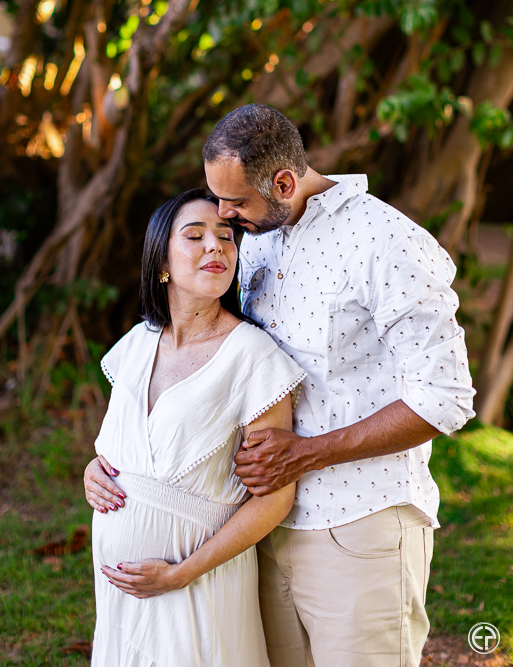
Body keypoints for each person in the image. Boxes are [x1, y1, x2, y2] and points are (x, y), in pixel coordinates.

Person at [86, 104, 475, 667]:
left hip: (358, 524)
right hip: (259, 534)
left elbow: (445, 398)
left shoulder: (386, 242)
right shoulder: (257, 237)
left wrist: (308, 453)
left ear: (284, 184)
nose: (224, 220)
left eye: (235, 204)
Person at [85, 188, 306, 667]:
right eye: (195, 235)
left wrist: (181, 573)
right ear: (162, 260)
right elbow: (129, 450)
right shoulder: (138, 342)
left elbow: (275, 498)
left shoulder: (252, 355)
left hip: (199, 581)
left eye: (226, 237)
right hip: (119, 588)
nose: (216, 246)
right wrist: (94, 471)